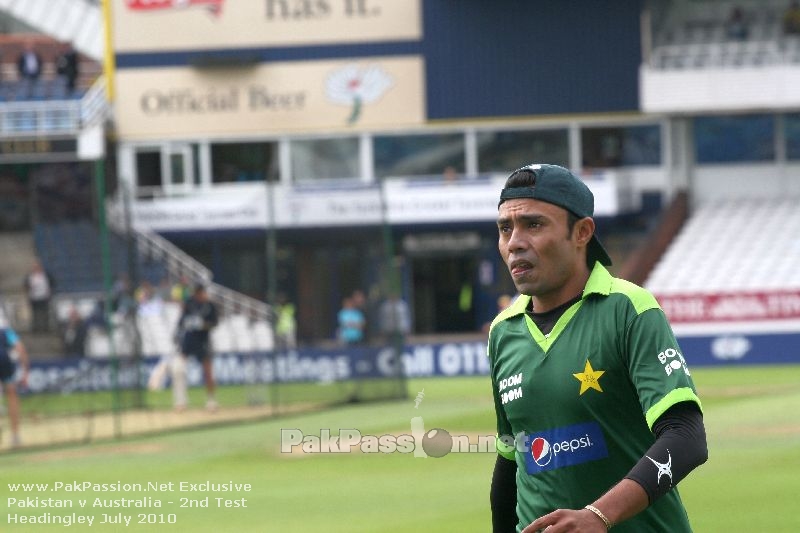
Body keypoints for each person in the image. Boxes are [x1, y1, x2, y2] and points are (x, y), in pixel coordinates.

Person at [488, 164, 707, 532]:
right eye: (505, 228)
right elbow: (511, 459)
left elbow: (686, 437)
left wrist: (599, 515)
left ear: (582, 232)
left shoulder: (629, 310)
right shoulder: (503, 331)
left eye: (534, 225)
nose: (514, 242)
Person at [173, 285, 219, 411]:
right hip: (189, 340)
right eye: (198, 293)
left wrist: (203, 325)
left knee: (208, 371)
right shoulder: (189, 304)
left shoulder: (210, 306)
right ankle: (181, 401)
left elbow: (215, 323)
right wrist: (184, 326)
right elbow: (181, 321)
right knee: (178, 369)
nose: (200, 295)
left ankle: (211, 400)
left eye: (202, 293)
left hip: (203, 340)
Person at [0, 326, 30, 447]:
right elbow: (20, 348)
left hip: (4, 361)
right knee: (12, 396)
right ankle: (15, 436)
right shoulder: (6, 331)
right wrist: (25, 372)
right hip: (6, 362)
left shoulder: (6, 331)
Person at [24, 259, 55, 333]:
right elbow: (25, 285)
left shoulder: (46, 275)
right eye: (35, 267)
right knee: (35, 314)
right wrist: (28, 288)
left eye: (37, 267)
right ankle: (36, 328)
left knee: (45, 313)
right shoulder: (30, 276)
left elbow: (53, 283)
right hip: (33, 297)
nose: (36, 268)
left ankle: (45, 328)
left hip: (44, 297)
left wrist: (50, 291)